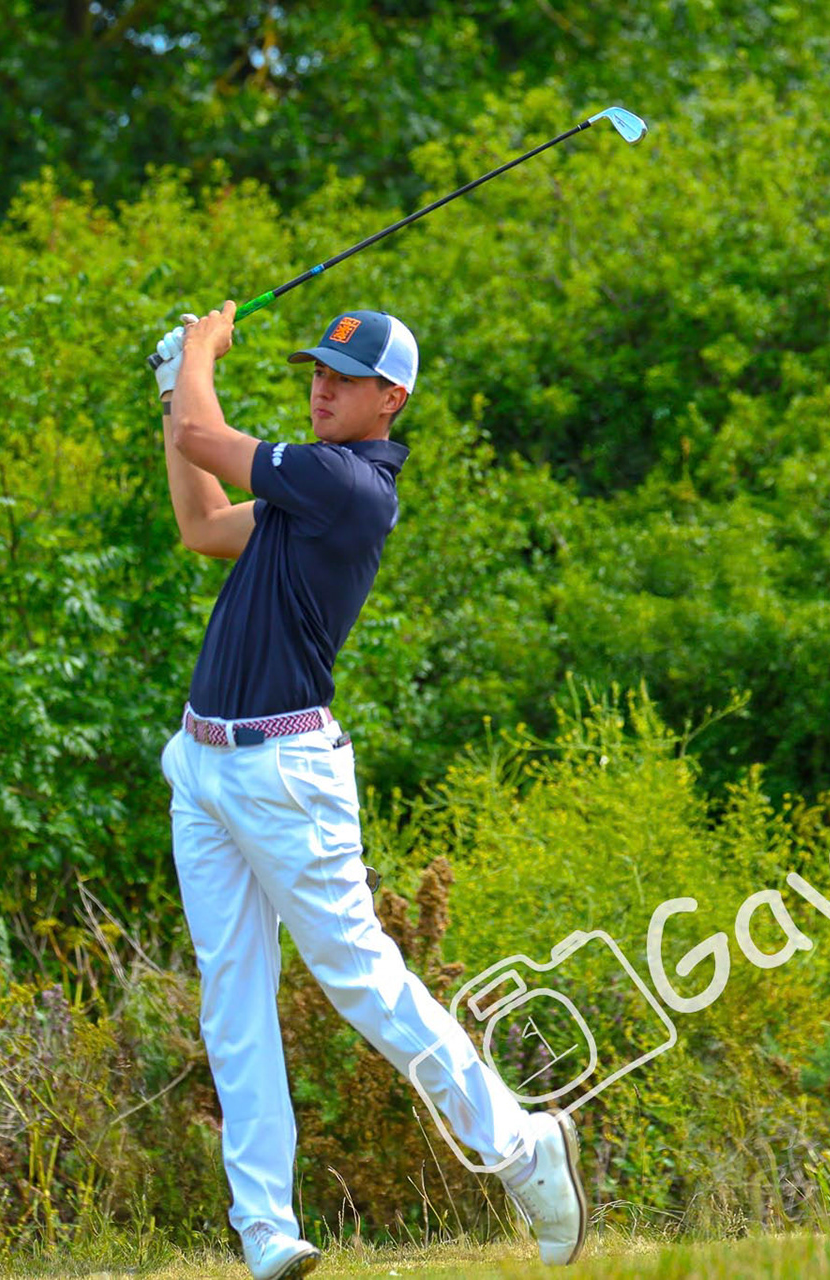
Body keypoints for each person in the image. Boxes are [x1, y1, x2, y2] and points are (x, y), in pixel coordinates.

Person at [147, 303, 589, 1280]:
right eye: (318, 371)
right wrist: (171, 388)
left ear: (392, 398)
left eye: (344, 377)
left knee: (365, 982)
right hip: (205, 763)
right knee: (234, 1000)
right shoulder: (307, 490)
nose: (322, 387)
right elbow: (198, 521)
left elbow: (204, 435)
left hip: (284, 773)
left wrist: (200, 356)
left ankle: (520, 1144)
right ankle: (266, 1227)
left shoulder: (346, 484)